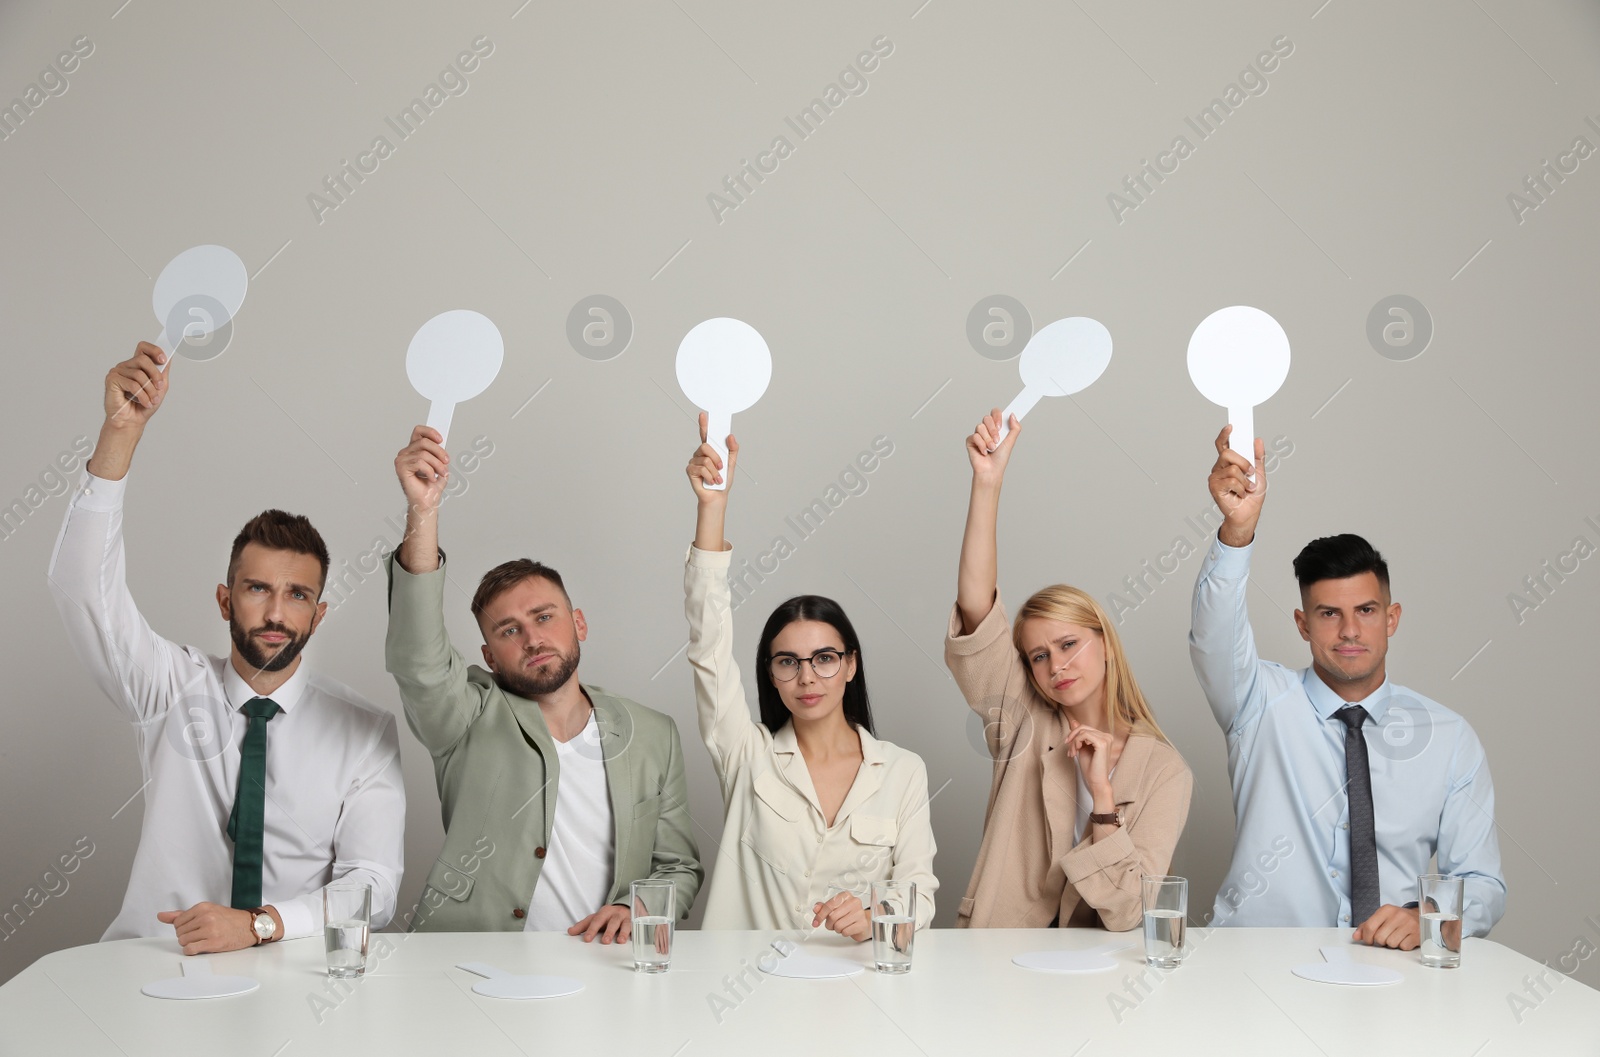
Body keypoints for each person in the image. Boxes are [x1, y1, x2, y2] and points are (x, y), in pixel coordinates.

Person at [48, 344, 405, 953]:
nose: (274, 612)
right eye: (257, 588)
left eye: (296, 595)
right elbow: (82, 587)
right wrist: (121, 432)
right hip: (157, 962)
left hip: (292, 969)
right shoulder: (167, 687)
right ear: (224, 599)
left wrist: (262, 924)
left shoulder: (363, 730)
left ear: (317, 615)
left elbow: (372, 885)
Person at [1190, 426, 1505, 947]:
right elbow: (1213, 636)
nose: (1351, 631)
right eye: (1329, 614)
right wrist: (1237, 530)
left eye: (1366, 611)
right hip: (1254, 971)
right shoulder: (1258, 703)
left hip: (1391, 972)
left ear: (1392, 617)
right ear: (1302, 624)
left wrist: (1430, 915)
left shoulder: (1449, 738)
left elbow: (1484, 884)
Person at [386, 425, 702, 940]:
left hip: (602, 970)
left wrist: (636, 907)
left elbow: (678, 867)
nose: (532, 638)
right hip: (472, 970)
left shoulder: (653, 734)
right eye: (509, 630)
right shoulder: (464, 717)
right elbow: (418, 660)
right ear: (488, 656)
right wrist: (423, 510)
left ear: (578, 623)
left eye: (544, 617)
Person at [683, 416, 937, 938]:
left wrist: (875, 917)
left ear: (850, 664)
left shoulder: (902, 772)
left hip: (855, 995)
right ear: (771, 676)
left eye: (824, 658)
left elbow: (918, 891)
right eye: (787, 662)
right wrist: (713, 508)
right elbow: (708, 647)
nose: (807, 677)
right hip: (746, 994)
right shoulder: (746, 756)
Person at [945, 410, 1191, 930]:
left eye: (1069, 644)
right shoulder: (1020, 718)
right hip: (999, 962)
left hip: (1101, 976)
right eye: (1038, 655)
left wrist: (1102, 795)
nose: (1056, 665)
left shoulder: (1165, 771)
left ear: (1104, 642)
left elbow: (1131, 911)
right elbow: (976, 609)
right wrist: (987, 485)